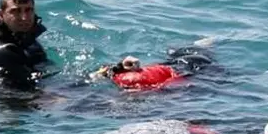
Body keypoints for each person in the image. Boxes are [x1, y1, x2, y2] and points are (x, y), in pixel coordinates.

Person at [0, 0, 50, 86]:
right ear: (1, 14)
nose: (24, 18)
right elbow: (11, 91)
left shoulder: (27, 40)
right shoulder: (0, 51)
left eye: (28, 10)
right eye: (16, 11)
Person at [90, 43, 218, 91]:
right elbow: (96, 75)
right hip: (172, 67)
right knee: (174, 53)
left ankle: (204, 44)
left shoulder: (154, 88)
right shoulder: (120, 78)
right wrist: (119, 66)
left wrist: (121, 66)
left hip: (193, 66)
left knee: (177, 52)